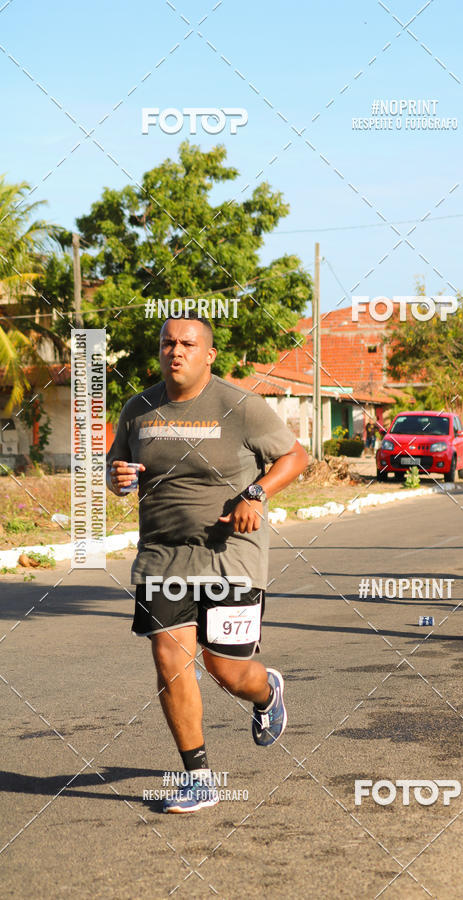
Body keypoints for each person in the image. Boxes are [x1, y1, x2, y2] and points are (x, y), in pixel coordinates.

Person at [107, 315, 308, 813]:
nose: (176, 351)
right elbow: (117, 474)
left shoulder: (240, 406)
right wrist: (120, 476)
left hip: (230, 558)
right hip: (162, 557)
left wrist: (256, 493)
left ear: (208, 354)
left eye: (188, 344)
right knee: (170, 661)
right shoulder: (138, 409)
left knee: (226, 670)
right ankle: (198, 775)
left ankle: (266, 693)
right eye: (167, 343)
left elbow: (295, 457)